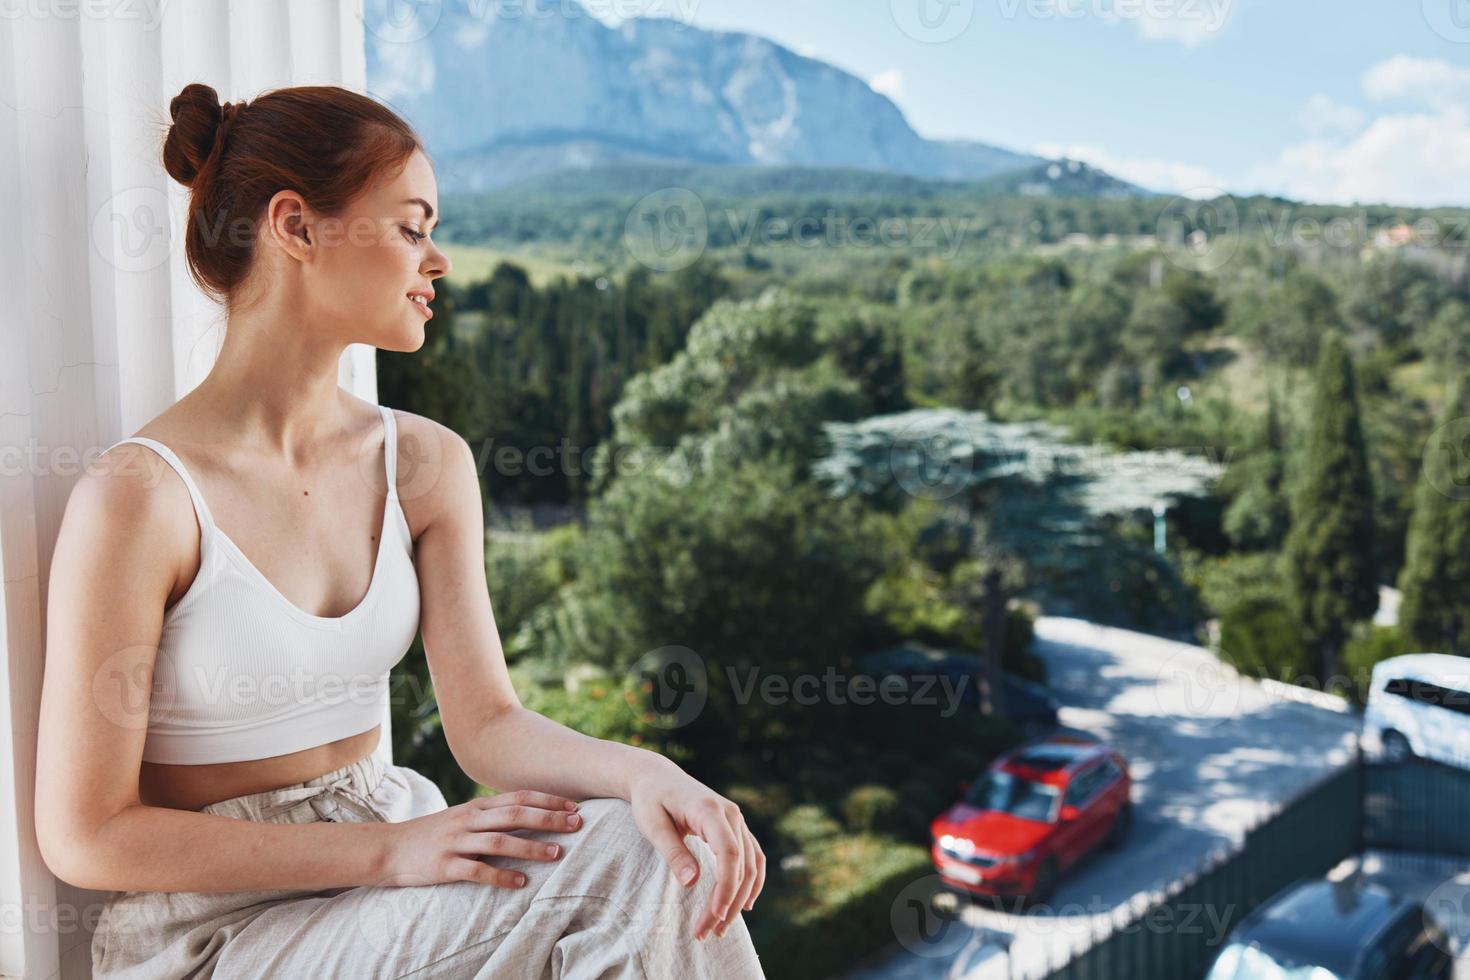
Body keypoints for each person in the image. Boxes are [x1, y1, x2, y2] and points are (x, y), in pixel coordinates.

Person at [33, 81, 766, 979]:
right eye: (413, 227)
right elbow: (87, 835)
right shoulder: (141, 497)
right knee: (627, 865)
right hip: (219, 931)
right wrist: (386, 855)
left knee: (657, 837)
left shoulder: (424, 463)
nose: (438, 260)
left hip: (391, 862)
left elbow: (488, 723)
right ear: (297, 228)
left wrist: (647, 774)